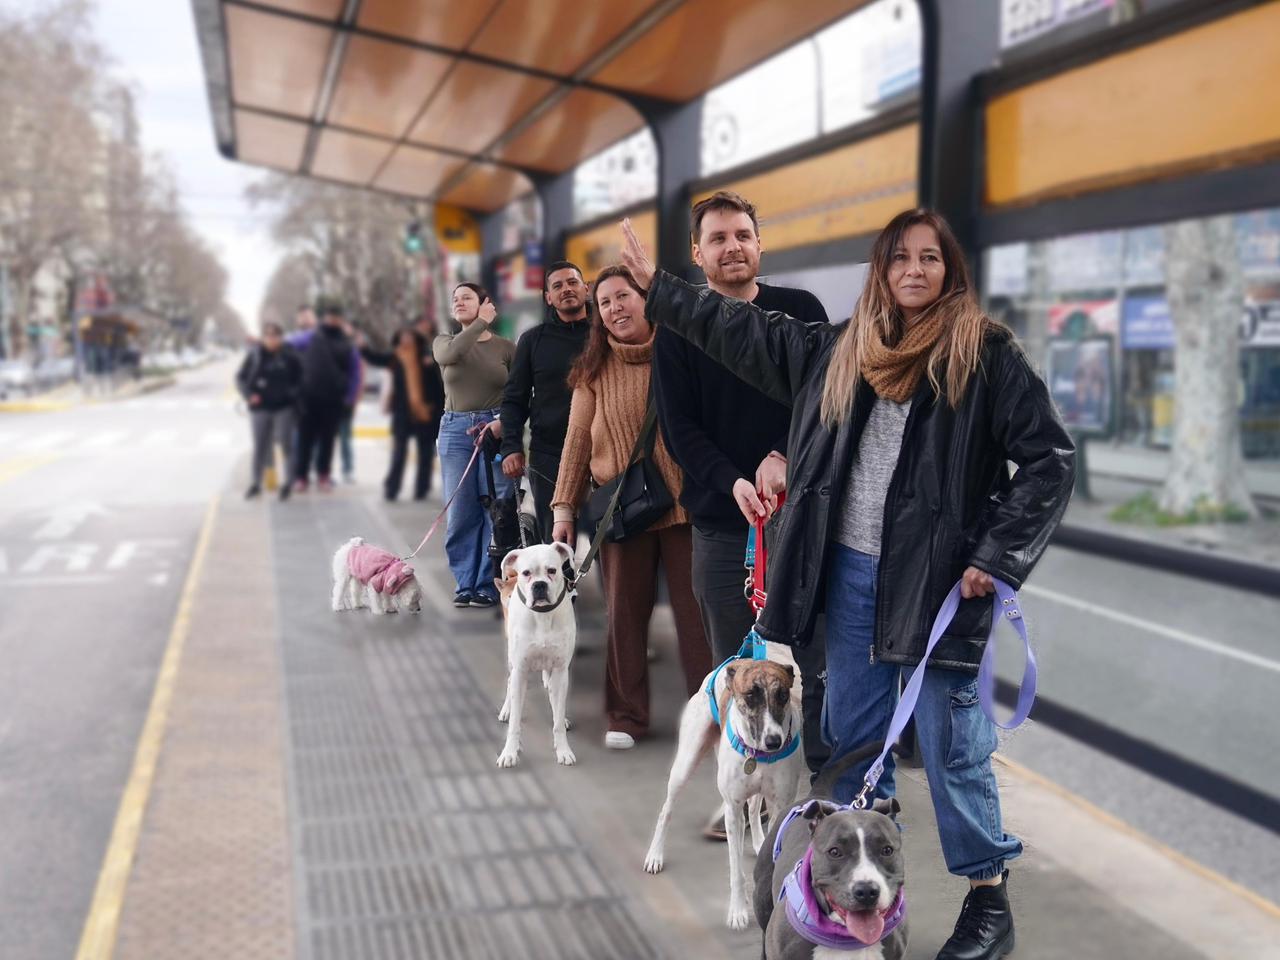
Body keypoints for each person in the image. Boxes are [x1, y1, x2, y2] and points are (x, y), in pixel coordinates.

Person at [623, 209, 1075, 960]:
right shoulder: (841, 348)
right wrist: (662, 293)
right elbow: (746, 333)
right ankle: (852, 889)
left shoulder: (985, 355)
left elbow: (1050, 460)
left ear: (950, 270)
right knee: (852, 746)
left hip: (938, 589)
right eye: (899, 258)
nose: (914, 270)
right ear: (881, 269)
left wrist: (997, 555)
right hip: (852, 580)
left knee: (950, 743)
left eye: (931, 258)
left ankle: (988, 905)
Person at [652, 191, 831, 841]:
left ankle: (818, 792)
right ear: (698, 254)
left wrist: (785, 453)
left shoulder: (801, 313)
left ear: (760, 244)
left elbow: (825, 402)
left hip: (803, 522)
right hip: (724, 523)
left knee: (809, 660)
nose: (733, 246)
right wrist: (731, 481)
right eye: (719, 238)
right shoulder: (677, 332)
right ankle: (746, 794)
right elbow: (680, 428)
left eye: (743, 234)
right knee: (737, 665)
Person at [551, 265, 712, 751]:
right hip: (623, 511)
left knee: (698, 621)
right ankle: (626, 715)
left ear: (648, 299)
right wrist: (563, 509)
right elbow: (577, 441)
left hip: (686, 508)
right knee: (624, 617)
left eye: (624, 296)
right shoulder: (594, 368)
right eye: (605, 303)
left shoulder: (682, 349)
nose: (616, 308)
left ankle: (707, 718)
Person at [498, 261, 592, 542]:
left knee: (608, 542)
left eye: (572, 282)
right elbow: (514, 399)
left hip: (602, 454)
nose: (566, 290)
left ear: (586, 289)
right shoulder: (532, 340)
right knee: (556, 544)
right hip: (549, 456)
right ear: (548, 297)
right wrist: (511, 446)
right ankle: (561, 588)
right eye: (558, 286)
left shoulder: (606, 333)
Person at [435, 283, 515, 608]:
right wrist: (480, 323)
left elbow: (520, 394)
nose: (458, 302)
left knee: (494, 510)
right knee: (460, 511)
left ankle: (487, 583)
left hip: (496, 427)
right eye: (455, 299)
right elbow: (452, 355)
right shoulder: (444, 342)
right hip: (455, 431)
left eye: (466, 297)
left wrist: (505, 425)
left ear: (485, 303)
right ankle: (465, 583)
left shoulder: (507, 348)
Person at [359, 315, 445, 501]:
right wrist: (363, 348)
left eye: (410, 336)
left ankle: (421, 489)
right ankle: (392, 488)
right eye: (403, 336)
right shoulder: (395, 356)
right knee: (399, 453)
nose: (406, 339)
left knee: (424, 453)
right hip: (403, 413)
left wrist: (439, 410)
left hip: (425, 411)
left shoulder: (427, 356)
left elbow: (439, 387)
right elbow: (376, 358)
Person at [289, 301, 361, 492]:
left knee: (328, 441)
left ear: (340, 319)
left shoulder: (347, 343)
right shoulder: (311, 336)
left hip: (333, 401)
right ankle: (301, 477)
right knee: (305, 439)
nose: (333, 319)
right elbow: (288, 346)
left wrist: (350, 399)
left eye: (336, 316)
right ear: (324, 317)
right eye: (330, 315)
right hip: (307, 399)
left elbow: (355, 373)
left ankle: (323, 475)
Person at [235, 321, 301, 501]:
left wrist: (290, 395)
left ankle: (288, 483)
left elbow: (300, 380)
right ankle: (256, 483)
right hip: (260, 409)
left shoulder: (290, 356)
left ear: (281, 337)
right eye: (268, 335)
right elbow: (240, 378)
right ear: (263, 337)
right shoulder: (254, 355)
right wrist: (249, 396)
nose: (271, 339)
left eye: (275, 335)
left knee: (286, 446)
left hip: (283, 409)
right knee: (260, 447)